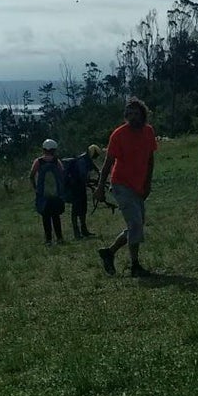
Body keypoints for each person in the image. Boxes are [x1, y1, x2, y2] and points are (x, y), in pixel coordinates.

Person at [97, 98, 160, 277]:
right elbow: (108, 162)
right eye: (129, 114)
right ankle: (135, 266)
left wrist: (148, 183)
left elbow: (150, 159)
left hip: (139, 186)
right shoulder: (118, 135)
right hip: (121, 184)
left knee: (137, 225)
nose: (133, 117)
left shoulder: (148, 132)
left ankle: (109, 252)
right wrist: (101, 186)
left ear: (143, 114)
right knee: (135, 224)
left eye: (136, 113)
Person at [29, 138, 67, 244]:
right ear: (54, 149)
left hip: (43, 195)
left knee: (45, 218)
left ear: (44, 149)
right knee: (56, 217)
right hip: (55, 194)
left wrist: (36, 188)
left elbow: (31, 175)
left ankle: (48, 239)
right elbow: (62, 174)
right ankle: (59, 238)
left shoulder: (38, 161)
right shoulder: (56, 161)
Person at [63, 144, 102, 238]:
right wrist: (93, 181)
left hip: (80, 187)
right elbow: (82, 176)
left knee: (83, 209)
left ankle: (84, 231)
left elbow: (96, 170)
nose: (95, 158)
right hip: (75, 188)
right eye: (95, 156)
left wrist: (99, 177)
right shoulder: (82, 161)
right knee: (75, 210)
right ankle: (77, 233)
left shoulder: (87, 160)